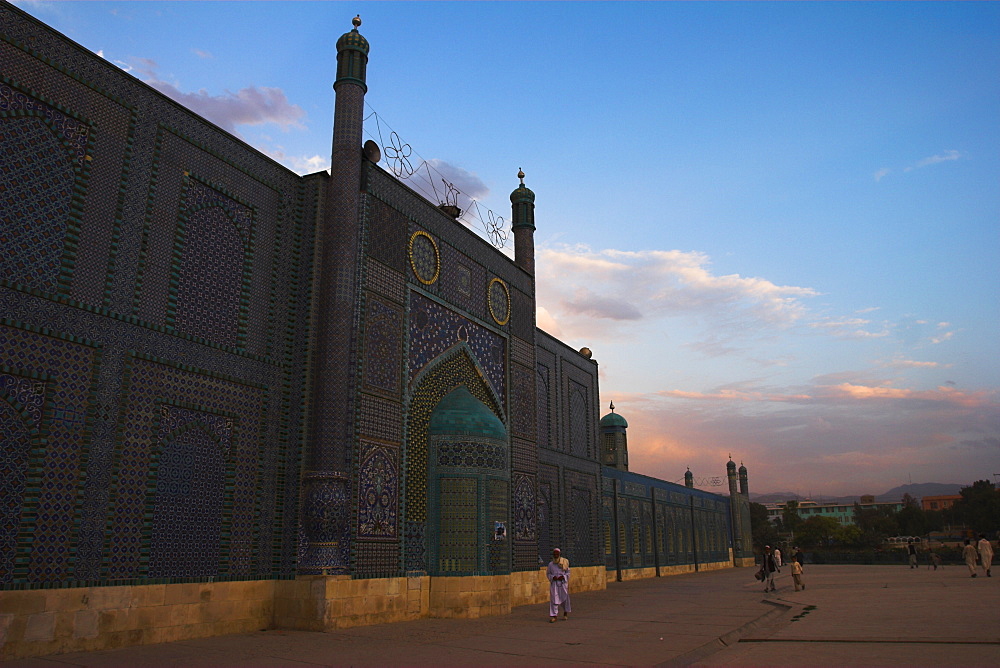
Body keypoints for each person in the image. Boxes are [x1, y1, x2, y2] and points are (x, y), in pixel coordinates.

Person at [546, 548, 571, 622]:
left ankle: (565, 613)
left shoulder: (564, 562)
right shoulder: (551, 564)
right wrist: (553, 577)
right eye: (554, 554)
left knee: (564, 599)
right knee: (554, 600)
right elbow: (548, 573)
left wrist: (563, 577)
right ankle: (554, 616)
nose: (556, 555)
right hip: (554, 584)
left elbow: (568, 573)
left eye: (557, 554)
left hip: (562, 584)